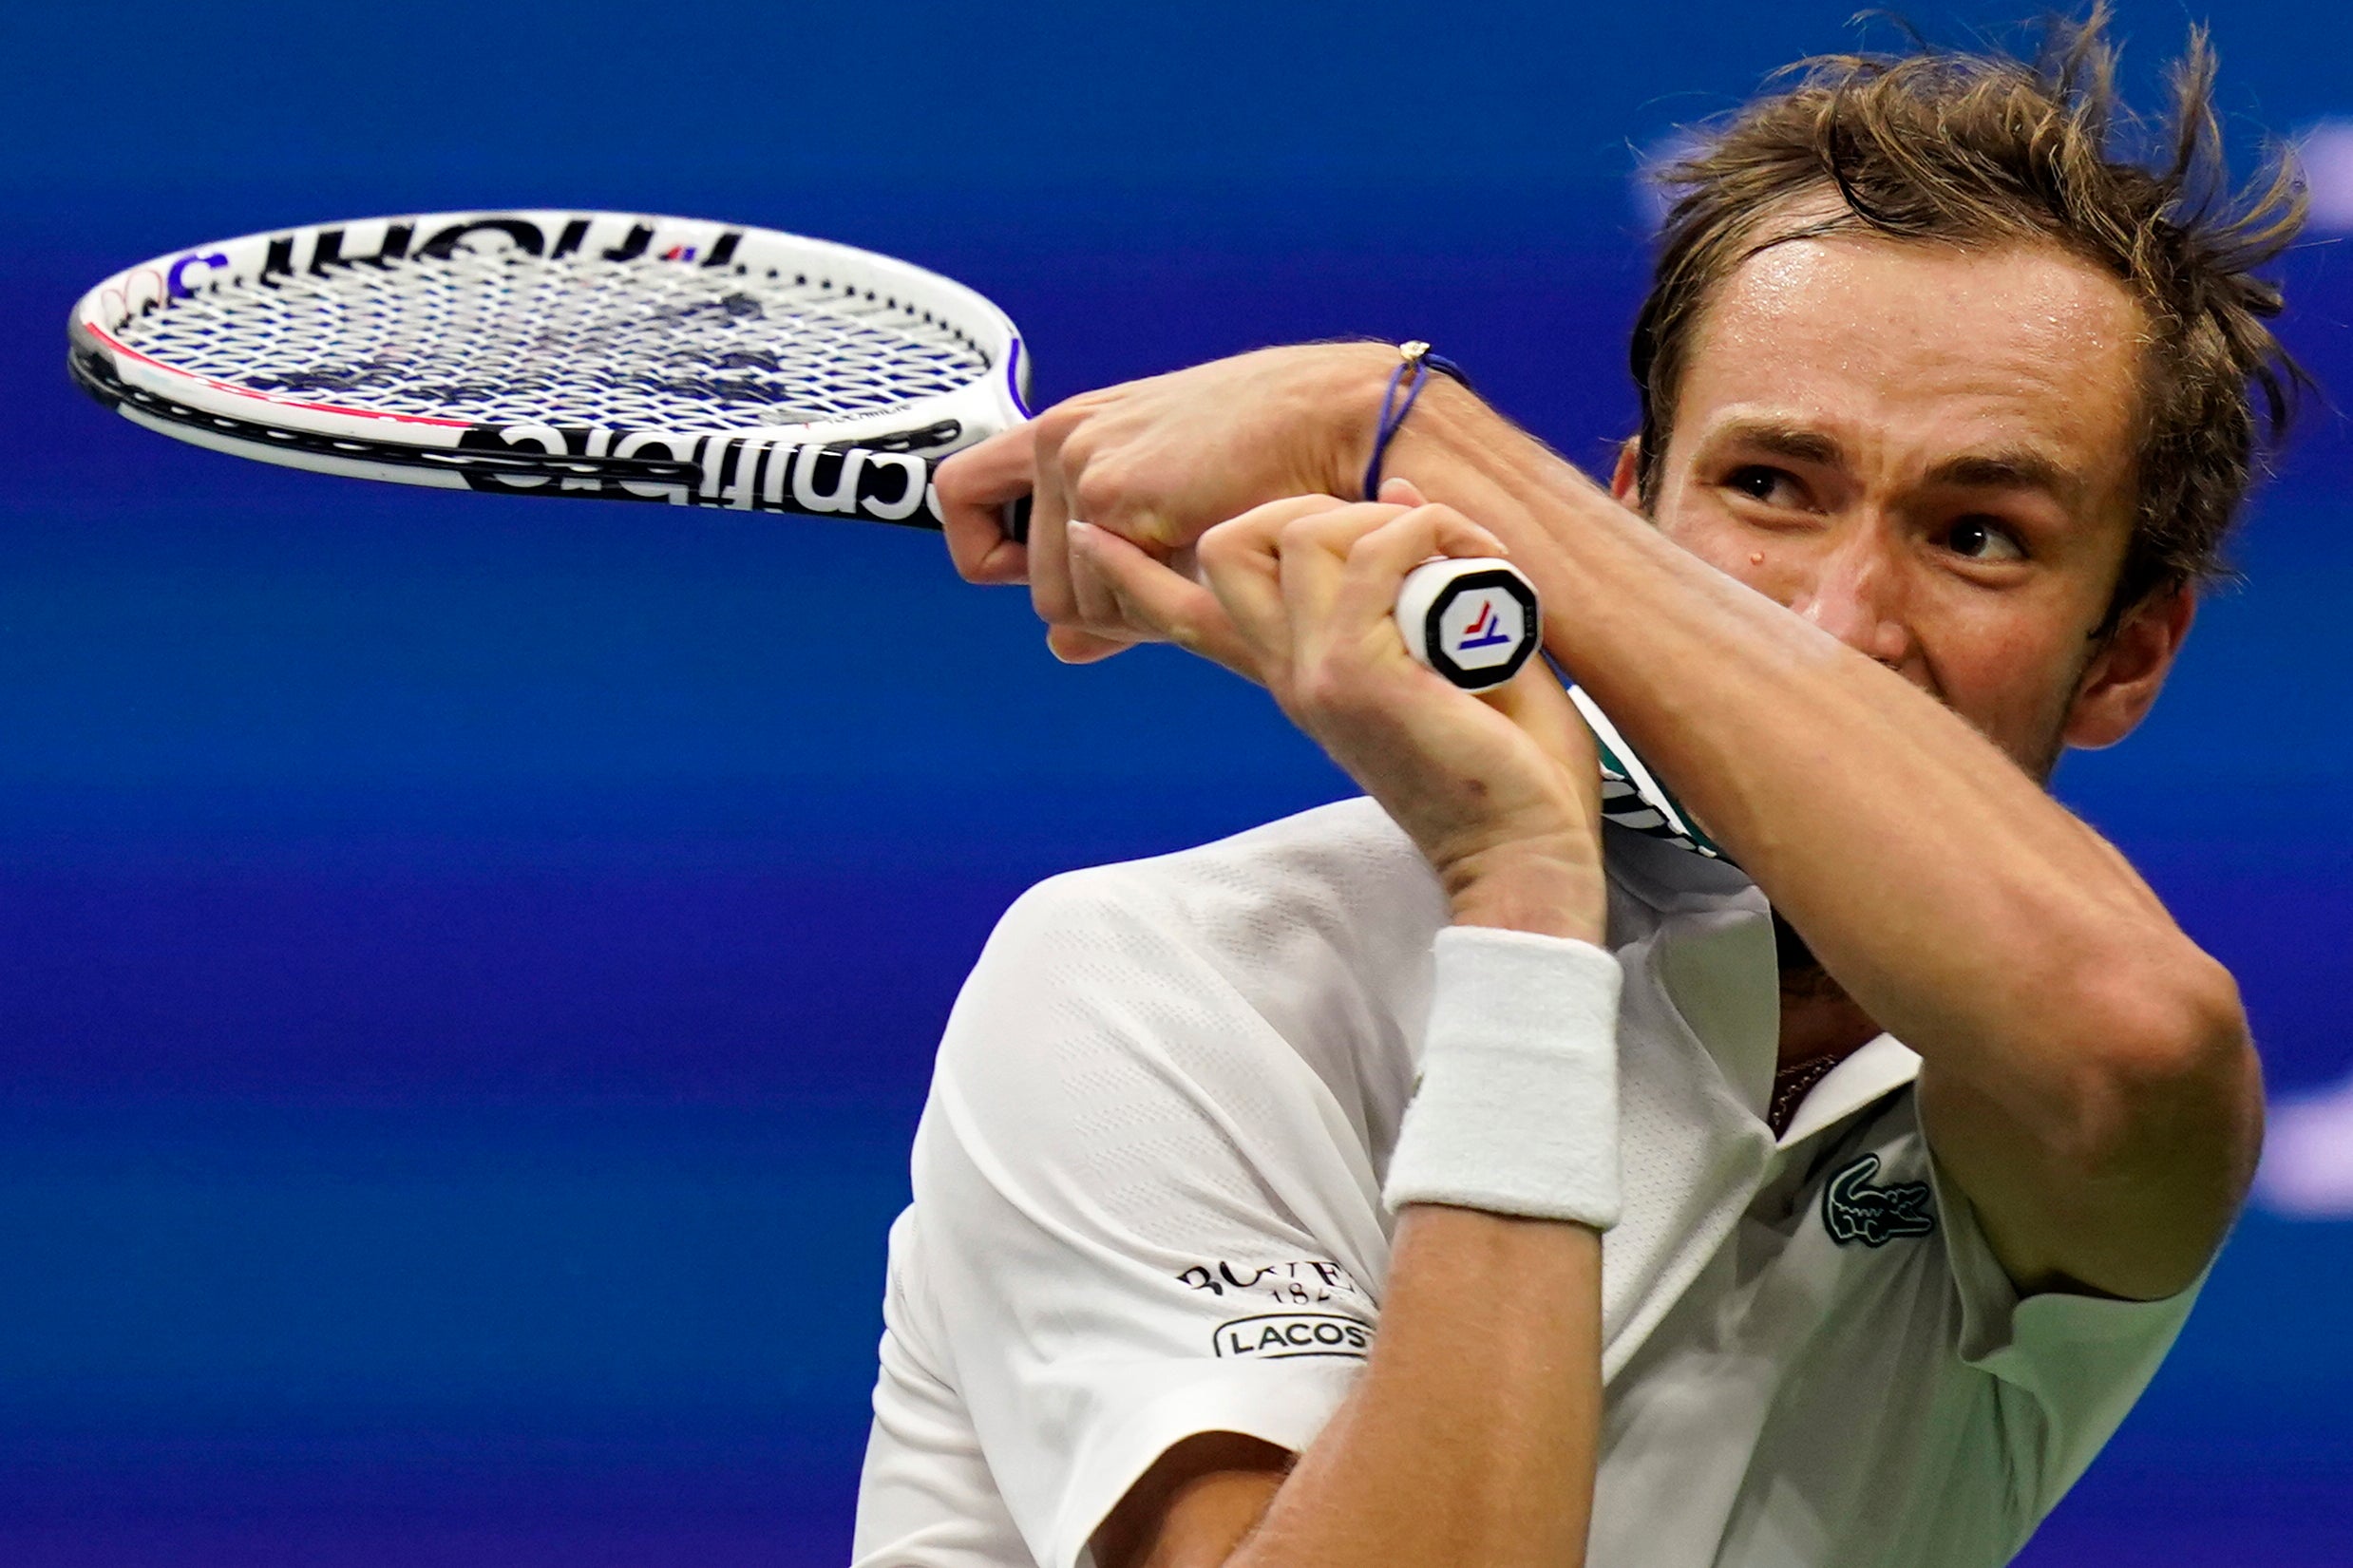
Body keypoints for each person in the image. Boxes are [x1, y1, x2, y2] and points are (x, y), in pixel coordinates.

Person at [853, 14, 2302, 1567]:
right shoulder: (1165, 976)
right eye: (1764, 488)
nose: (1834, 621)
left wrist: (1399, 429)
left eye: (1977, 537)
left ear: (2125, 656)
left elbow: (2129, 1037)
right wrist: (1521, 899)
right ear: (1625, 521)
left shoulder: (2063, 1079)